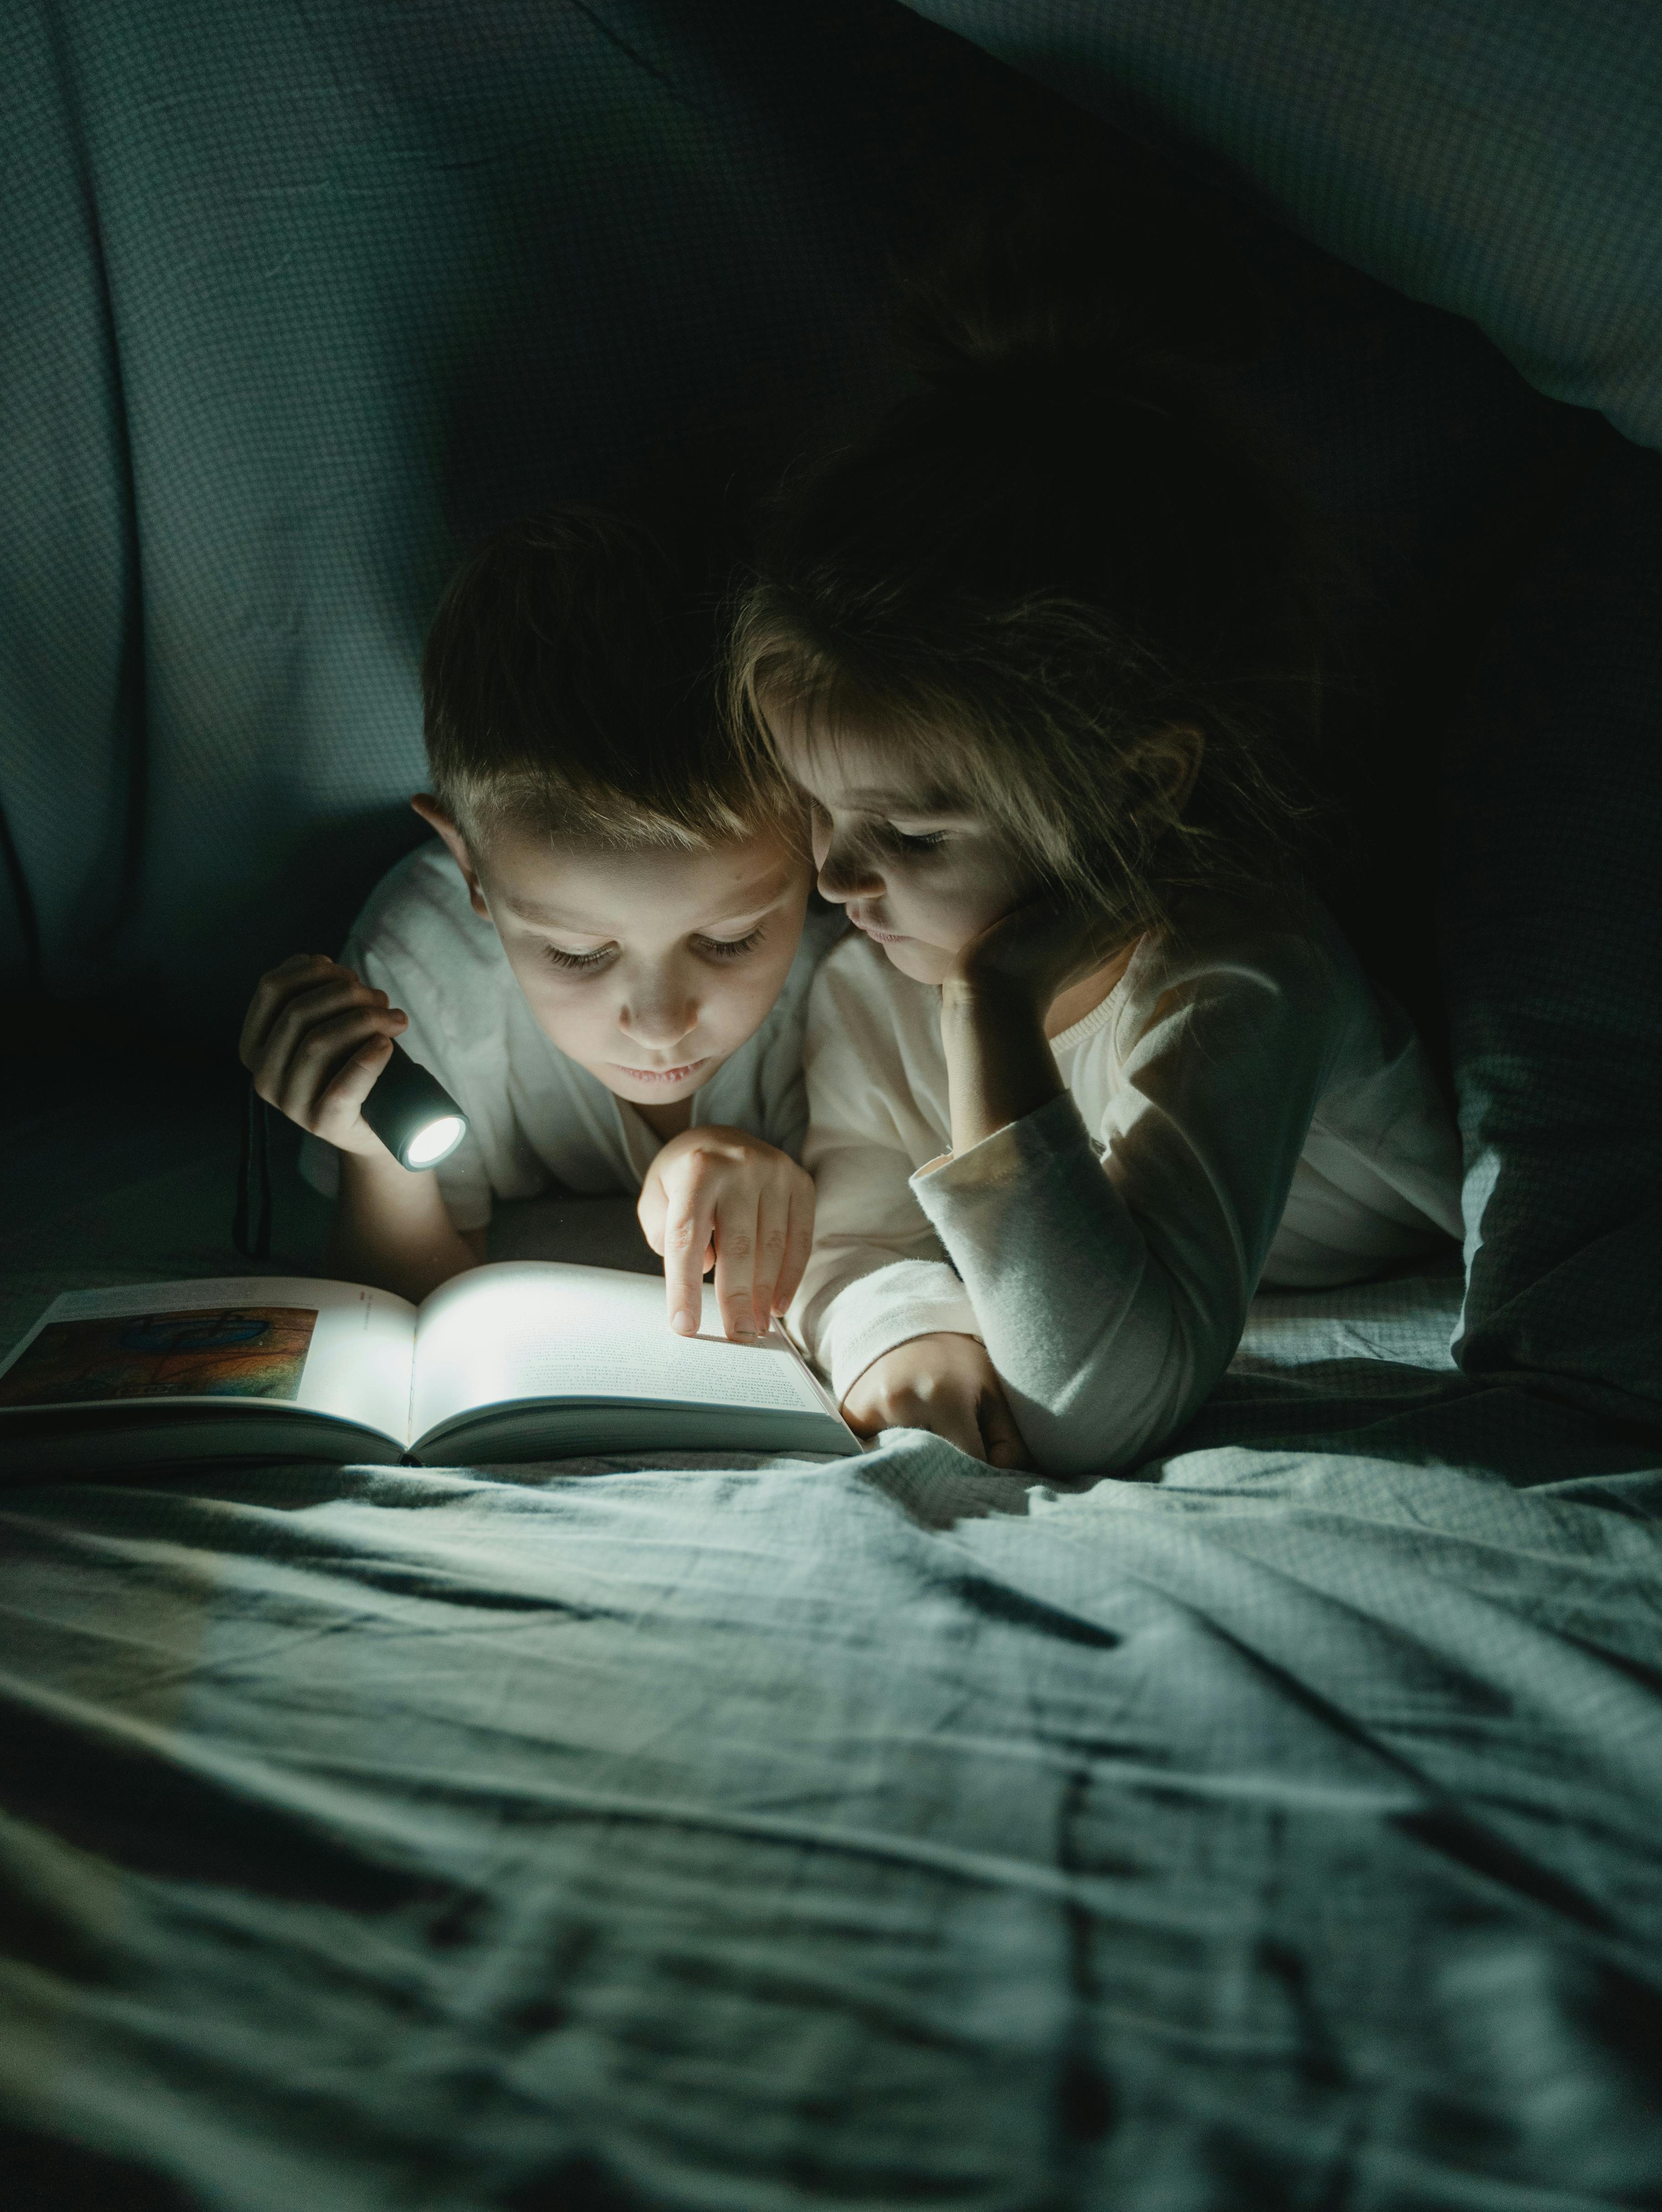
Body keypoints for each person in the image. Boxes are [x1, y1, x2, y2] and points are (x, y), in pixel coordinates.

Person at [732, 179, 1464, 1473]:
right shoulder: (870, 978)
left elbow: (1097, 1400)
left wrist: (993, 1008)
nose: (835, 876)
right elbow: (850, 1232)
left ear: (1138, 789)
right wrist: (896, 1331)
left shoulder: (1243, 970)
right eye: (821, 812)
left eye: (910, 835)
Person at [239, 501, 842, 1335]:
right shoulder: (422, 974)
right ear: (471, 870)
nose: (661, 1024)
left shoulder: (851, 960)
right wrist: (379, 1158)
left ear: (820, 839)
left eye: (728, 939)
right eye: (577, 953)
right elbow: (410, 1304)